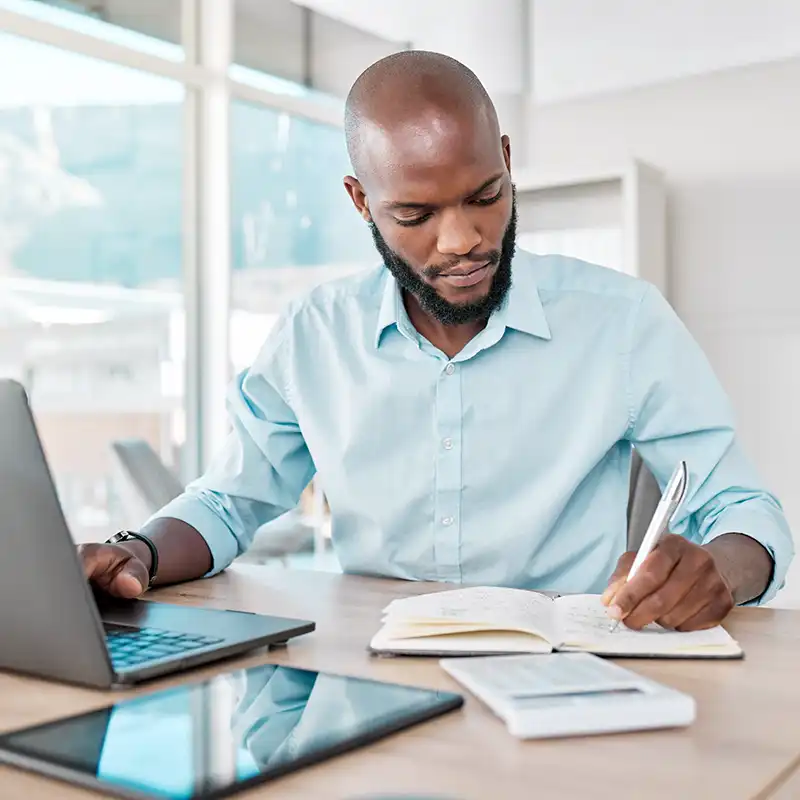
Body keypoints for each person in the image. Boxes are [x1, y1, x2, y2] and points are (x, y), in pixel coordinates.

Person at [80, 51, 793, 632]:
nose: (464, 242)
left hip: (566, 670)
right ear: (361, 201)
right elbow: (228, 503)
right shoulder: (314, 336)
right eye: (416, 214)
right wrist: (134, 550)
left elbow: (744, 512)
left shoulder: (623, 322)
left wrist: (717, 572)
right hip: (367, 671)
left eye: (486, 196)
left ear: (507, 162)